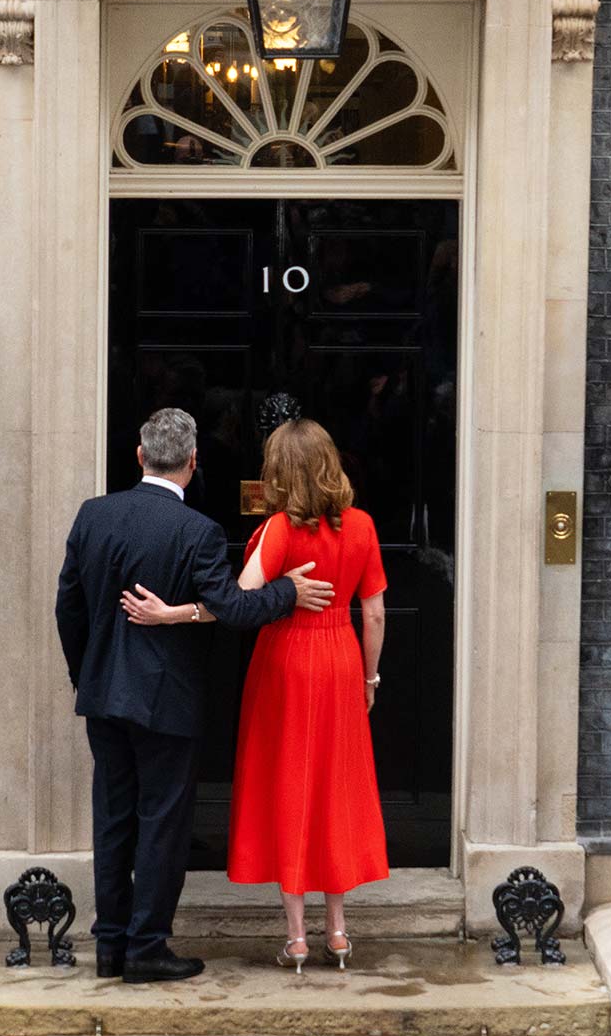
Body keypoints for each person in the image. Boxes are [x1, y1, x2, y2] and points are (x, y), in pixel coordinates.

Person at [55, 406, 335, 984]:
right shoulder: (197, 531)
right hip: (166, 703)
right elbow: (233, 609)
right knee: (161, 824)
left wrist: (87, 673)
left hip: (103, 697)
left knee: (112, 821)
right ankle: (147, 947)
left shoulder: (93, 515)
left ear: (139, 456)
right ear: (191, 463)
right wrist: (287, 591)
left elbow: (69, 607)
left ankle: (109, 946)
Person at [121, 417, 389, 973]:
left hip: (287, 659)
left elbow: (235, 601)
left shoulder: (278, 531)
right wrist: (369, 678)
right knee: (334, 786)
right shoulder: (361, 526)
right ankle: (337, 931)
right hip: (340, 658)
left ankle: (295, 937)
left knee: (291, 782)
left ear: (278, 472)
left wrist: (175, 614)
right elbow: (376, 612)